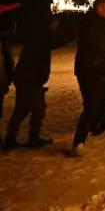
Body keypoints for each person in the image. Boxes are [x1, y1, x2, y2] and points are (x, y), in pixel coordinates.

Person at [4, 12, 70, 150]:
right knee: (33, 108)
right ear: (51, 23)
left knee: (26, 109)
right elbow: (55, 42)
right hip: (30, 78)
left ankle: (14, 137)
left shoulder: (39, 34)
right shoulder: (43, 36)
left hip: (28, 78)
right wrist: (69, 34)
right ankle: (25, 137)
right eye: (56, 22)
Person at [71, 0, 105, 156]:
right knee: (91, 105)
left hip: (97, 68)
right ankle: (79, 142)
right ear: (100, 8)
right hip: (90, 69)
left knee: (99, 101)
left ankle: (94, 126)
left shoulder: (102, 24)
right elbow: (99, 43)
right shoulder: (92, 24)